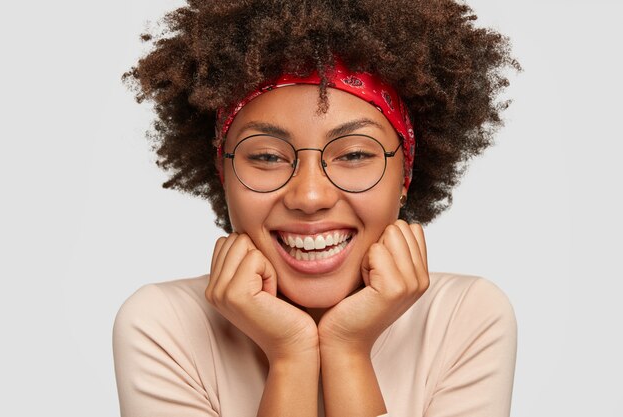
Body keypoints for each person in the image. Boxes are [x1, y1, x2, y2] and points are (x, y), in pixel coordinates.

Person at [113, 1, 520, 416]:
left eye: (356, 154)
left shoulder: (466, 317)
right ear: (223, 173)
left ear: (406, 175)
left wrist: (347, 350)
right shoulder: (164, 326)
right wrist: (291, 356)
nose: (309, 197)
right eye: (268, 157)